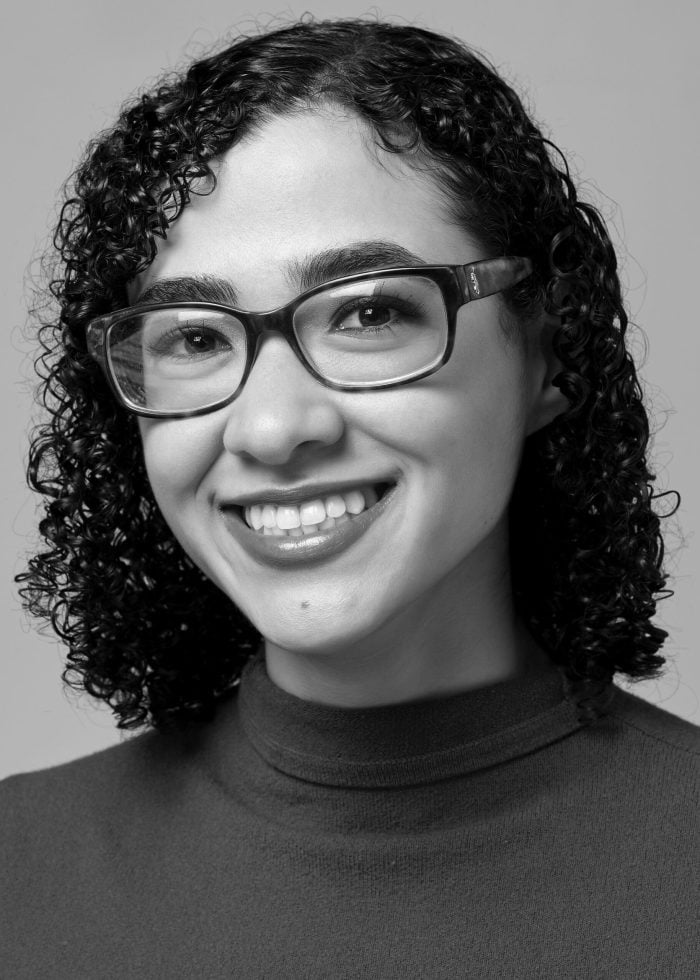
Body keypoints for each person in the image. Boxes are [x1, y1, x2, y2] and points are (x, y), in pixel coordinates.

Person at [1, 16, 698, 978]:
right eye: (195, 338)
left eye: (370, 311)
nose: (274, 428)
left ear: (546, 353)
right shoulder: (20, 873)